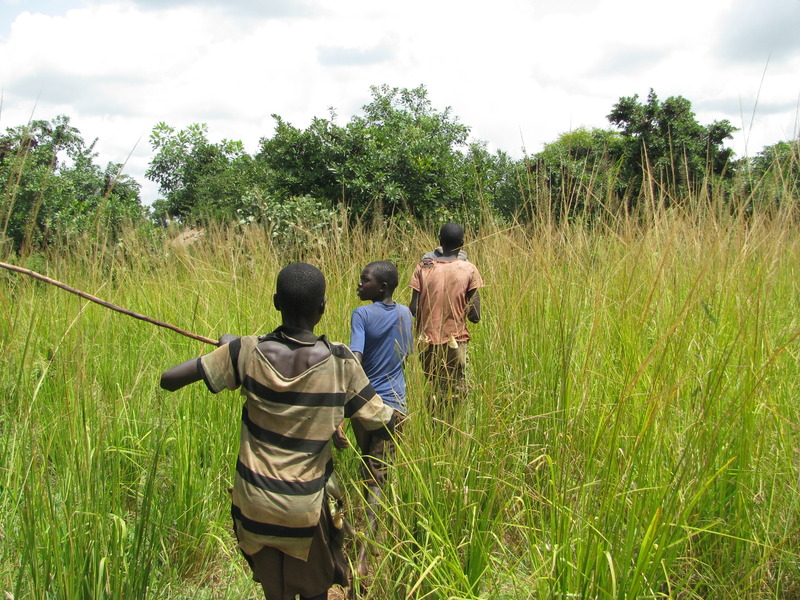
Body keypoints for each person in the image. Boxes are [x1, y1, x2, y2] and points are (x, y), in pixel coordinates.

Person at [160, 262, 395, 600]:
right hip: (306, 510)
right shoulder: (342, 362)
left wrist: (228, 349)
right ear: (322, 308)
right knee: (315, 592)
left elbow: (169, 380)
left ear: (275, 302)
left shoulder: (246, 352)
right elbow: (379, 419)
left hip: (254, 504)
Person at [347, 260, 413, 576]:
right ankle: (366, 548)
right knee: (380, 474)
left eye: (365, 280)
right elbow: (405, 355)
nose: (359, 285)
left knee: (367, 467)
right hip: (396, 405)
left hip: (365, 405)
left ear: (382, 287)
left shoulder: (361, 315)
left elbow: (356, 360)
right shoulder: (405, 314)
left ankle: (360, 551)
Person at [409, 222, 484, 410]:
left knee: (435, 388)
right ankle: (452, 429)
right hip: (455, 340)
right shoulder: (468, 269)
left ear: (439, 241)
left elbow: (413, 308)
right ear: (462, 243)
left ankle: (433, 425)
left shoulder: (423, 267)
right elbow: (475, 315)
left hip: (426, 340)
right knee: (456, 391)